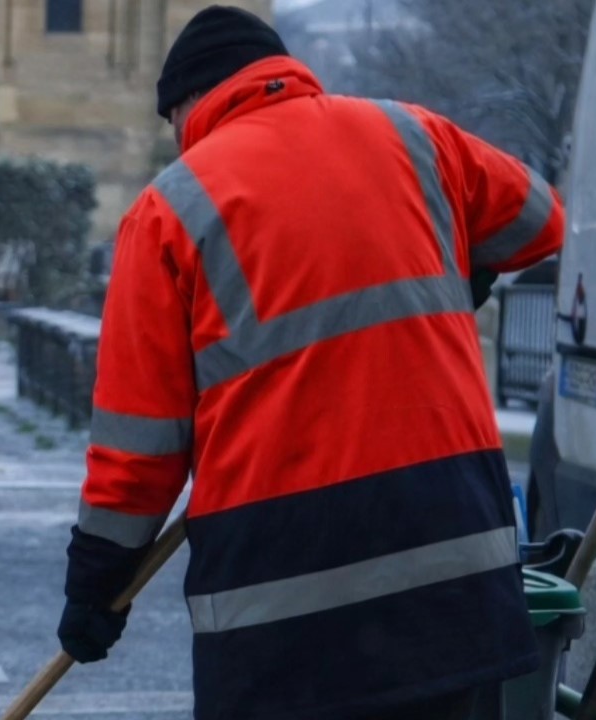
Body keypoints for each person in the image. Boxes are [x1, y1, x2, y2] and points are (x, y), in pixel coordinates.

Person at [56, 6, 565, 720]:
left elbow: (138, 447)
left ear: (188, 105)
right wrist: (459, 258)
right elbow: (543, 221)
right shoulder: (416, 136)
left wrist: (95, 586)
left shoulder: (169, 210)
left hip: (283, 615)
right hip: (453, 584)